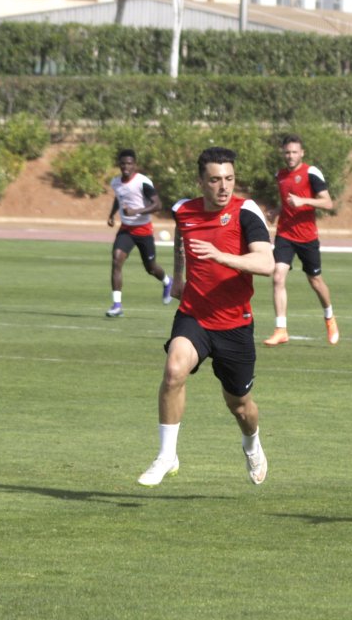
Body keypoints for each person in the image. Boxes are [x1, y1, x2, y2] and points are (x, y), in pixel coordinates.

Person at [137, 147, 276, 486]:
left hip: (235, 324)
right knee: (173, 371)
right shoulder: (183, 211)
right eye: (215, 180)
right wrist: (179, 279)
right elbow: (183, 242)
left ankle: (251, 443)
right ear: (201, 182)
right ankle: (167, 454)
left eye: (229, 179)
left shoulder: (246, 212)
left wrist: (221, 256)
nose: (223, 187)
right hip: (195, 315)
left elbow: (266, 264)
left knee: (240, 405)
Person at [263, 134, 340, 347]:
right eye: (287, 152)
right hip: (285, 233)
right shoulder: (280, 175)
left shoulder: (311, 172)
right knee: (278, 276)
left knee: (315, 281)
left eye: (294, 152)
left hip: (307, 237)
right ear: (283, 153)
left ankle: (329, 317)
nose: (290, 156)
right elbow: (287, 202)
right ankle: (281, 329)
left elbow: (328, 203)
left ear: (302, 153)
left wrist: (303, 200)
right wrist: (277, 211)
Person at [105, 149, 173, 317]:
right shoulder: (116, 182)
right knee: (116, 259)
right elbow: (119, 198)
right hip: (126, 230)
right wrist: (112, 214)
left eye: (129, 163)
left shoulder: (143, 182)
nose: (126, 166)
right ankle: (117, 305)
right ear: (119, 165)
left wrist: (136, 211)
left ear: (135, 165)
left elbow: (157, 205)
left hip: (143, 230)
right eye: (123, 163)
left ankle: (167, 281)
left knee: (150, 268)